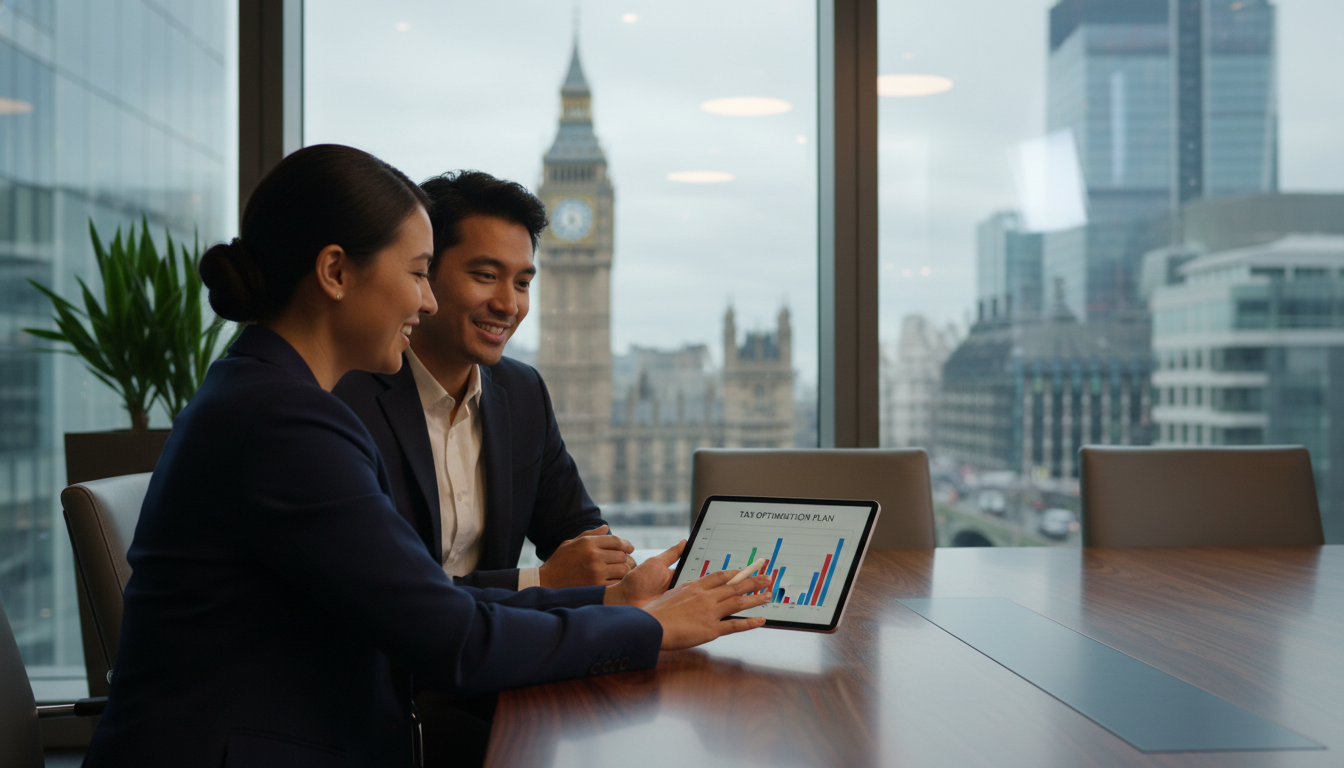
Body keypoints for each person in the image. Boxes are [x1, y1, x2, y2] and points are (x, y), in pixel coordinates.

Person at [81, 144, 773, 767]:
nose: (424, 300)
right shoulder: (285, 422)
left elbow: (426, 603)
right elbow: (453, 641)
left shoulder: (267, 393)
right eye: (417, 273)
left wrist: (608, 597)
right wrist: (648, 626)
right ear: (335, 272)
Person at [332, 170, 628, 594]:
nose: (509, 305)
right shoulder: (345, 397)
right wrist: (538, 582)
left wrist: (632, 574)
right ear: (424, 273)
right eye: (486, 276)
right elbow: (390, 597)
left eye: (523, 283)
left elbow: (580, 534)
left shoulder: (524, 394)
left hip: (497, 652)